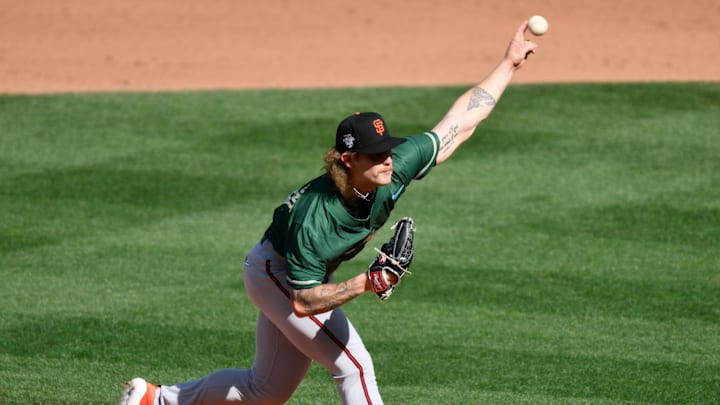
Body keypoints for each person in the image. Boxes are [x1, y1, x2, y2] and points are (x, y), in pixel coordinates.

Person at [119, 20, 538, 405]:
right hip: (277, 274)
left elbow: (459, 124)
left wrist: (508, 64)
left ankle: (154, 400)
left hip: (305, 275)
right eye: (374, 155)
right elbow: (302, 302)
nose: (387, 159)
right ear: (347, 160)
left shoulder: (394, 167)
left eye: (387, 149)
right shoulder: (315, 218)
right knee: (354, 366)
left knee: (266, 391)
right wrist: (366, 282)